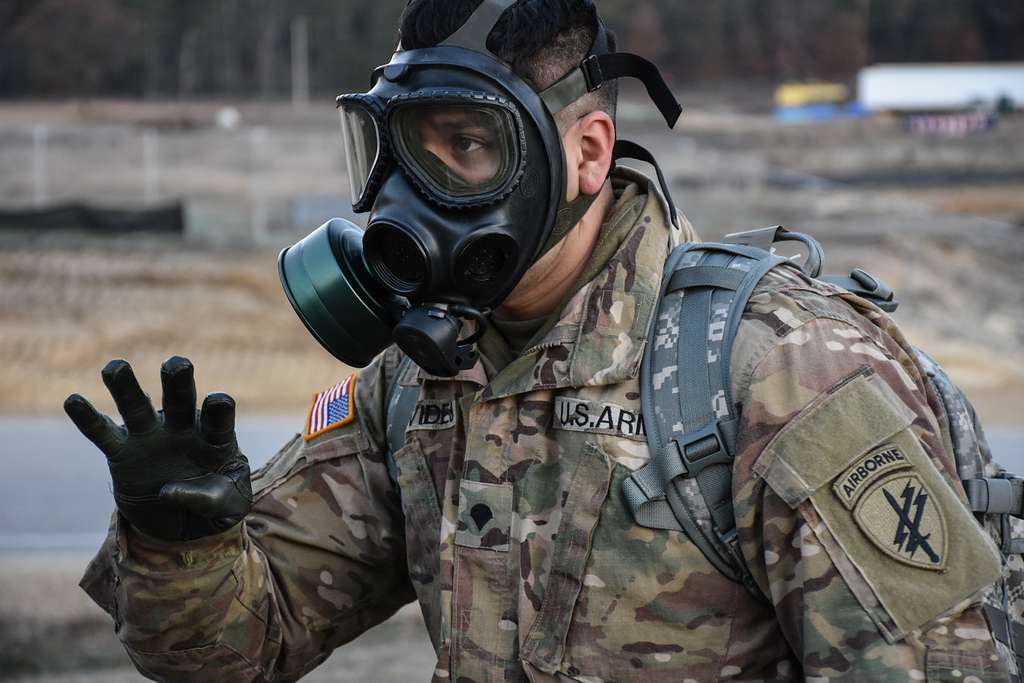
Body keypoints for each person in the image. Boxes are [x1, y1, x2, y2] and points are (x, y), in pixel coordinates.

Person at [66, 1, 1010, 681]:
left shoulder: (780, 370)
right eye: (393, 150)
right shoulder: (416, 383)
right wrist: (178, 540)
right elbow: (236, 649)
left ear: (588, 154)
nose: (409, 197)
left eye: (467, 147)